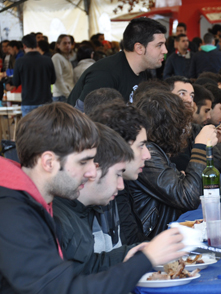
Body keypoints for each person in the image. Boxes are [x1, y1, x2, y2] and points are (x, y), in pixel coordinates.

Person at [0, 102, 185, 294]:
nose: (91, 172)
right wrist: (146, 259)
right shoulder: (12, 214)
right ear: (49, 162)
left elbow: (77, 270)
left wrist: (131, 256)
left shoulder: (29, 200)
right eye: (83, 161)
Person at [127, 91, 218, 238]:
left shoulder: (156, 150)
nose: (185, 131)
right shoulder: (149, 154)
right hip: (154, 240)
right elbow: (189, 196)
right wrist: (200, 147)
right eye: (181, 124)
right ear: (169, 126)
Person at [52, 123, 137, 274]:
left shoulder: (89, 208)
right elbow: (82, 275)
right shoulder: (60, 220)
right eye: (118, 174)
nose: (121, 185)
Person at [88, 102, 152, 246]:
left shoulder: (121, 186)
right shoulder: (95, 197)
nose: (148, 155)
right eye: (141, 146)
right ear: (118, 146)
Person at [68, 18, 167, 111]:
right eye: (159, 45)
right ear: (139, 48)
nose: (165, 50)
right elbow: (84, 120)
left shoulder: (141, 72)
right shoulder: (104, 74)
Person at [12, 34, 56, 117]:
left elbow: (15, 82)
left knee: (29, 129)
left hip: (28, 102)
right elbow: (53, 80)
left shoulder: (20, 61)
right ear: (37, 45)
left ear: (24, 46)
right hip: (46, 102)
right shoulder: (47, 60)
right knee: (46, 128)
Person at [51, 34, 74, 102]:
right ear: (58, 45)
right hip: (61, 96)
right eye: (64, 43)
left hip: (67, 94)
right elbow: (58, 79)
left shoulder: (66, 58)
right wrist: (68, 95)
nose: (67, 45)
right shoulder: (57, 57)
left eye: (69, 43)